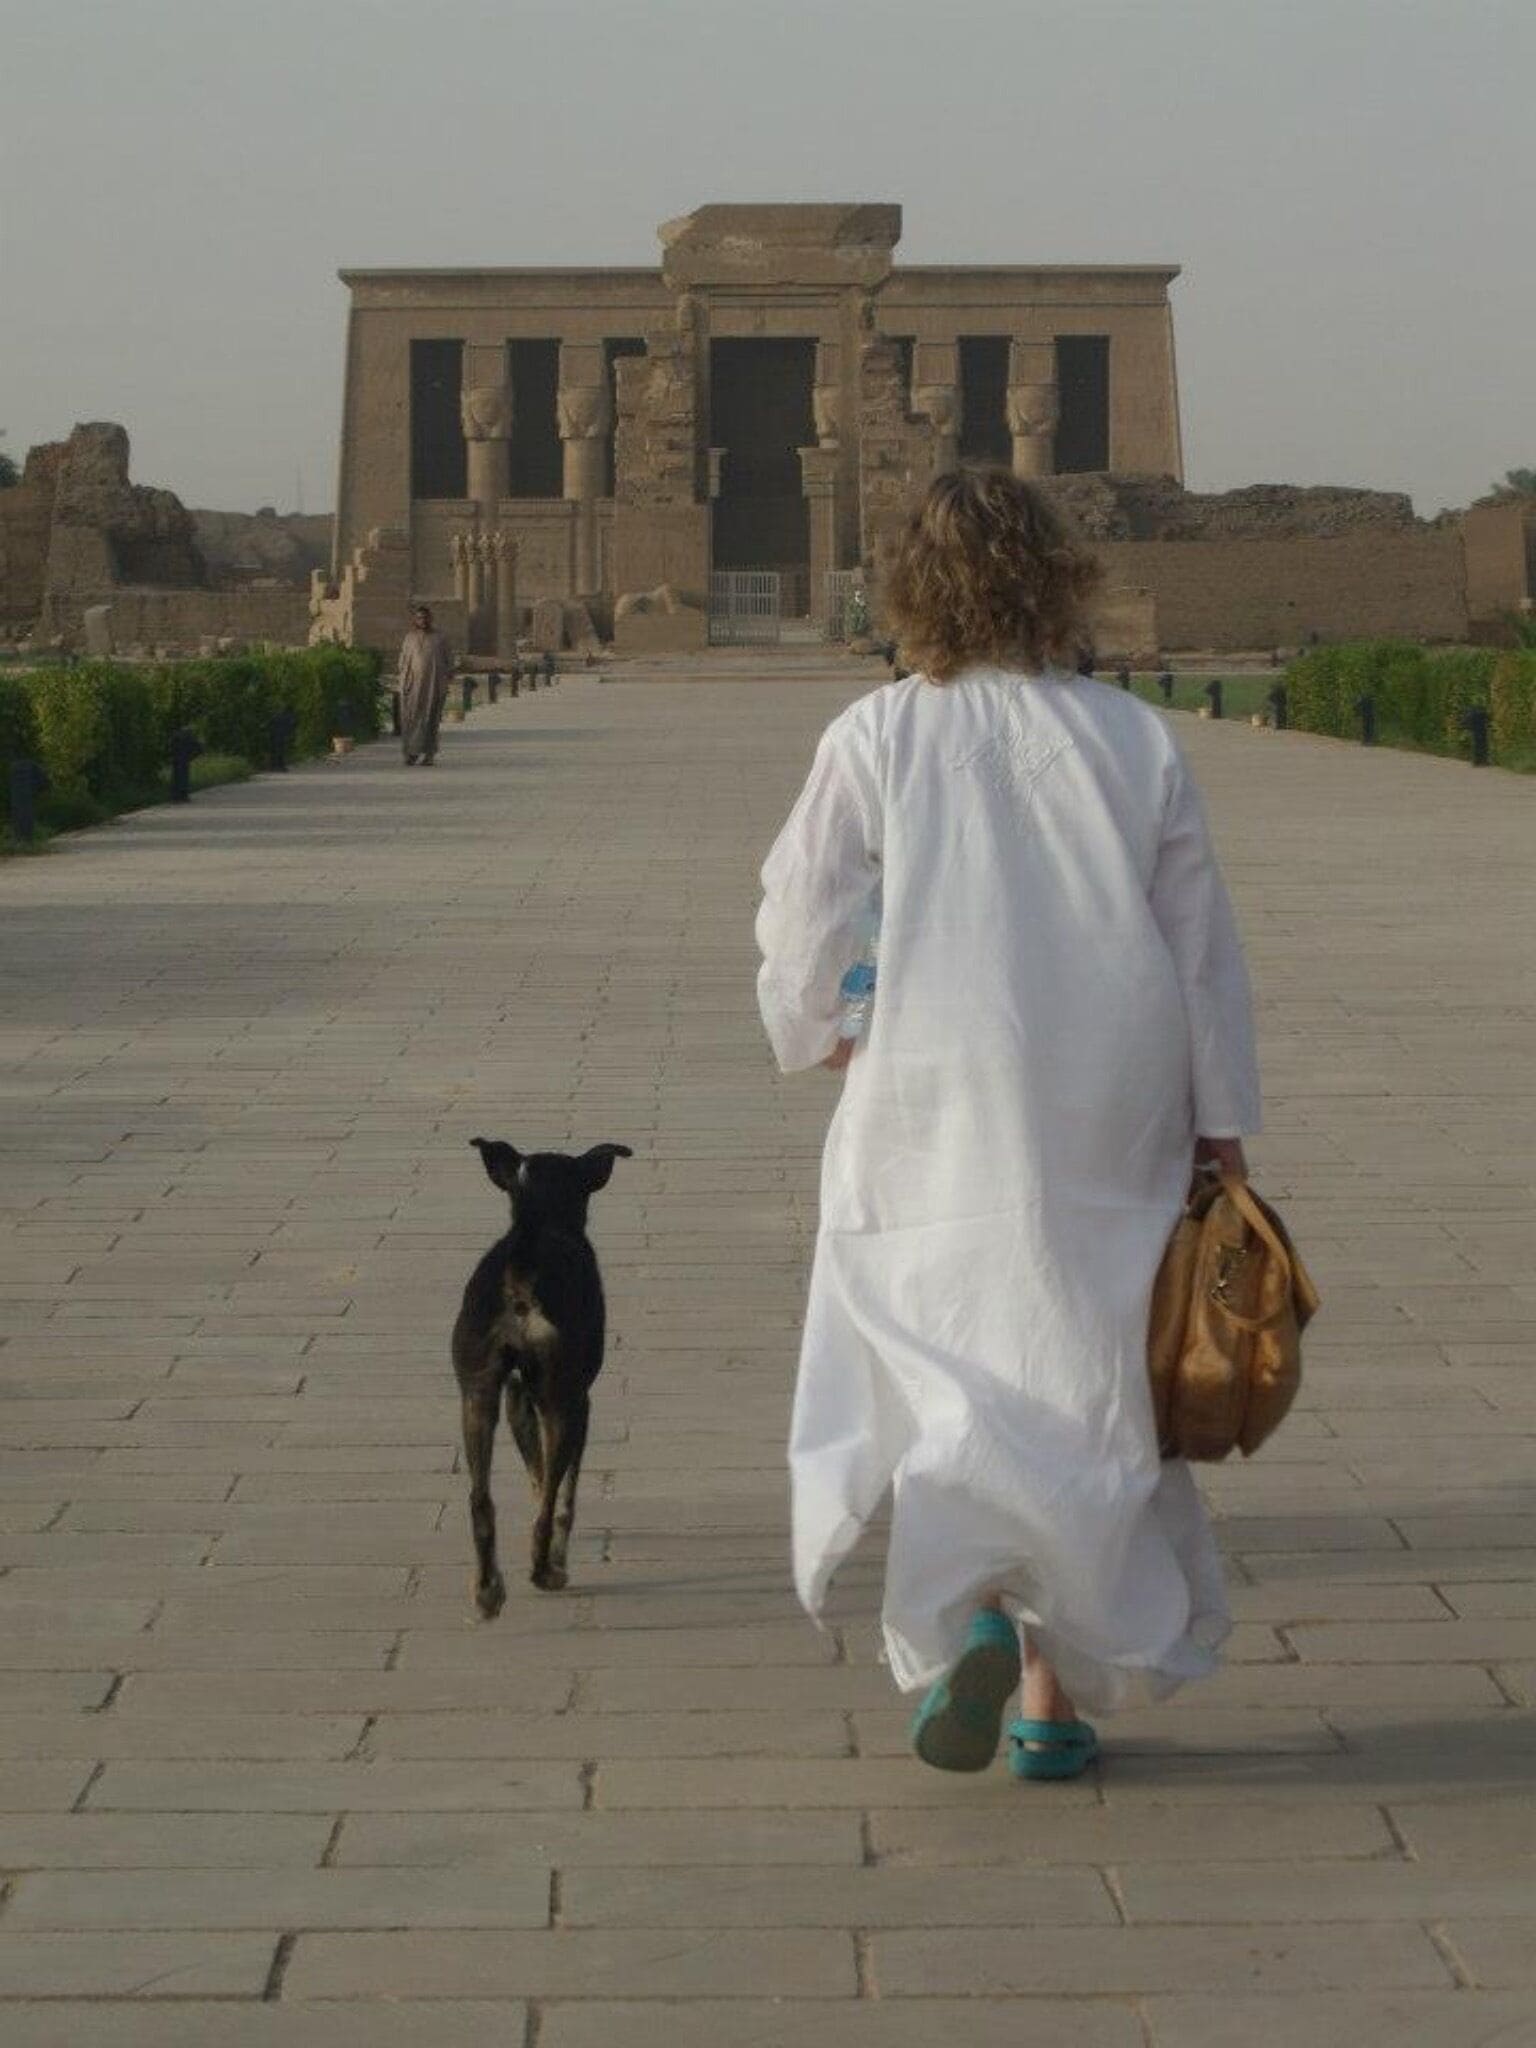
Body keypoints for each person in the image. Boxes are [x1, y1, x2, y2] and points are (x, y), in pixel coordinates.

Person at [755, 470, 1259, 1783]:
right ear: (1055, 584)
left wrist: (835, 1025)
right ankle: (1046, 1697)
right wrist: (1224, 1128)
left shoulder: (873, 735)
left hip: (933, 1082)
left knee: (942, 1358)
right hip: (1111, 1094)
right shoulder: (1133, 738)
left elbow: (805, 920)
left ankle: (972, 1611)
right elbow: (1198, 953)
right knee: (1082, 1365)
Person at [397, 603, 453, 766]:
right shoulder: (409, 638)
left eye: (426, 617)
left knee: (430, 719)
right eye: (420, 618)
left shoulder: (440, 638)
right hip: (412, 687)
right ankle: (411, 753)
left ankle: (429, 754)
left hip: (433, 686)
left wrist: (445, 681)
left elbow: (448, 661)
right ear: (415, 620)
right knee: (411, 719)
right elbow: (403, 662)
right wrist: (403, 683)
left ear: (430, 619)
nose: (423, 620)